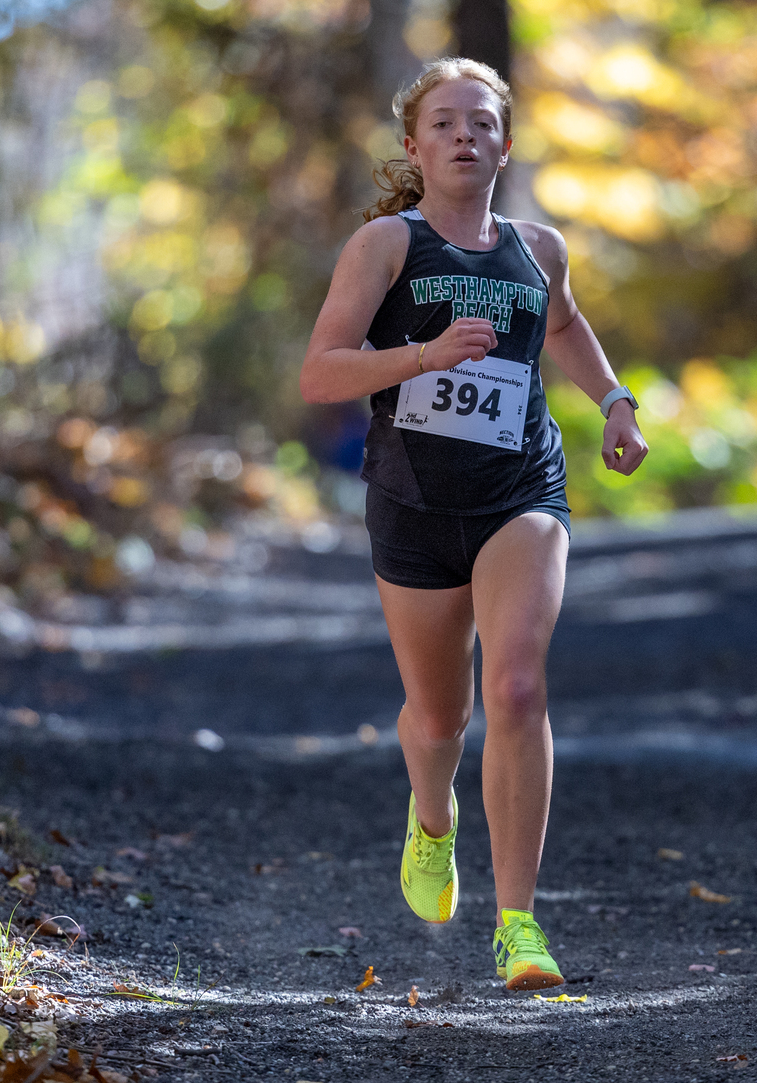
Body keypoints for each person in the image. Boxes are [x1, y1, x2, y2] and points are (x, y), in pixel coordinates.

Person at [299, 58, 648, 990]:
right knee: (438, 717)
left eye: (482, 123)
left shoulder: (538, 248)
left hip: (520, 494)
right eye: (445, 123)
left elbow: (566, 327)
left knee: (519, 689)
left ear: (504, 143)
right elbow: (321, 373)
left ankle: (518, 925)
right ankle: (432, 817)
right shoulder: (386, 246)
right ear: (415, 147)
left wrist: (615, 400)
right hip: (413, 504)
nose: (465, 136)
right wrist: (421, 354)